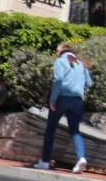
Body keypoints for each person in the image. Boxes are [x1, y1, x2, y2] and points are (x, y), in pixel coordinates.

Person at [34, 43, 93, 173]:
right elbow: (89, 83)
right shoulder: (80, 63)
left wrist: (52, 100)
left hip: (62, 99)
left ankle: (45, 161)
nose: (56, 53)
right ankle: (81, 158)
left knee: (50, 130)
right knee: (75, 131)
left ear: (62, 51)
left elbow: (58, 81)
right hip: (77, 100)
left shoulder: (60, 61)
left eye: (57, 50)